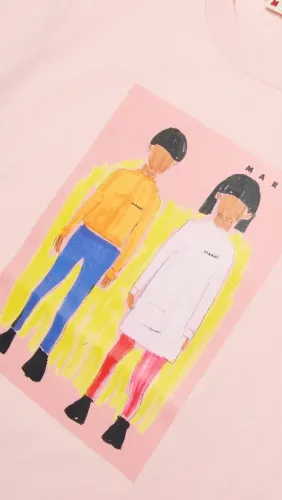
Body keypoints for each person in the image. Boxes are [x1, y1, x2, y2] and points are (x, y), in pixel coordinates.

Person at [64, 174, 261, 450]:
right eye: (229, 202)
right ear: (218, 196)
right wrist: (139, 287)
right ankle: (86, 400)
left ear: (247, 215)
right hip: (153, 300)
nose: (230, 212)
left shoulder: (227, 252)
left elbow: (210, 294)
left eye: (239, 209)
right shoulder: (191, 228)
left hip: (178, 321)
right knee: (116, 354)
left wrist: (189, 330)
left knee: (143, 376)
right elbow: (162, 256)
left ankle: (121, 425)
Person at [0, 128, 188, 383]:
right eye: (160, 154)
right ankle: (12, 330)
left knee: (71, 302)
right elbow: (93, 200)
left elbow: (136, 236)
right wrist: (68, 227)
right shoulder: (120, 175)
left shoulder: (154, 199)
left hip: (108, 253)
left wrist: (116, 268)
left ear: (172, 166)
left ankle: (42, 354)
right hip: (84, 236)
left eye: (169, 161)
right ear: (150, 147)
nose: (161, 162)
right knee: (47, 283)